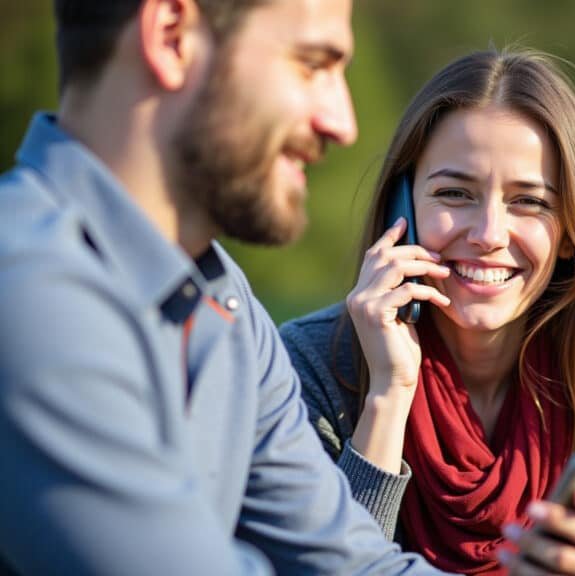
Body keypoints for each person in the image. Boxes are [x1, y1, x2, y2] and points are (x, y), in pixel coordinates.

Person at [0, 0, 450, 573]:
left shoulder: (226, 303)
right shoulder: (28, 294)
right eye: (313, 63)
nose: (342, 122)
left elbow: (353, 565)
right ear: (171, 37)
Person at [280, 49, 575, 575]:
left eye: (528, 201)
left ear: (573, 230)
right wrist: (387, 395)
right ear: (402, 209)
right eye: (454, 193)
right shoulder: (309, 363)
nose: (488, 234)